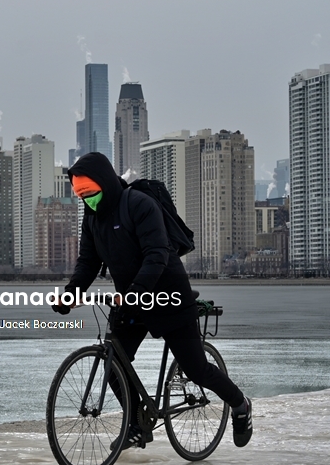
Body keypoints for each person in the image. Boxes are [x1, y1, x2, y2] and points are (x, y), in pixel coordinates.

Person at [51, 152, 252, 449]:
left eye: (91, 194)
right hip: (131, 302)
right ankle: (136, 424)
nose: (88, 202)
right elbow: (88, 263)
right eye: (82, 197)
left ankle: (240, 404)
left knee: (197, 369)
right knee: (114, 366)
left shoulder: (139, 204)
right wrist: (71, 293)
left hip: (169, 296)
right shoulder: (92, 219)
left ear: (105, 184)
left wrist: (137, 290)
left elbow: (156, 254)